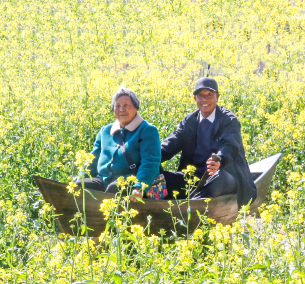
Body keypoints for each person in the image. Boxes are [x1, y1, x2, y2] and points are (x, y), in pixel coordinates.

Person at [159, 77, 257, 206]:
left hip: (223, 176)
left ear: (217, 97)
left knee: (219, 178)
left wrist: (220, 160)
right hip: (193, 178)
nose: (205, 99)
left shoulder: (228, 120)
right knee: (159, 177)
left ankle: (190, 205)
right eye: (201, 95)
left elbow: (230, 145)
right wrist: (150, 157)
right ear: (195, 98)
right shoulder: (190, 120)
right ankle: (160, 205)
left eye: (209, 95)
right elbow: (172, 142)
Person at [76, 87, 161, 202]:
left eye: (126, 105)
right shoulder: (105, 131)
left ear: (136, 107)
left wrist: (139, 187)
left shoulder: (147, 130)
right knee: (80, 185)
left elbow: (150, 162)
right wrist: (80, 177)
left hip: (131, 181)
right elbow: (93, 158)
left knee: (114, 189)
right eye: (117, 105)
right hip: (105, 180)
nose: (121, 109)